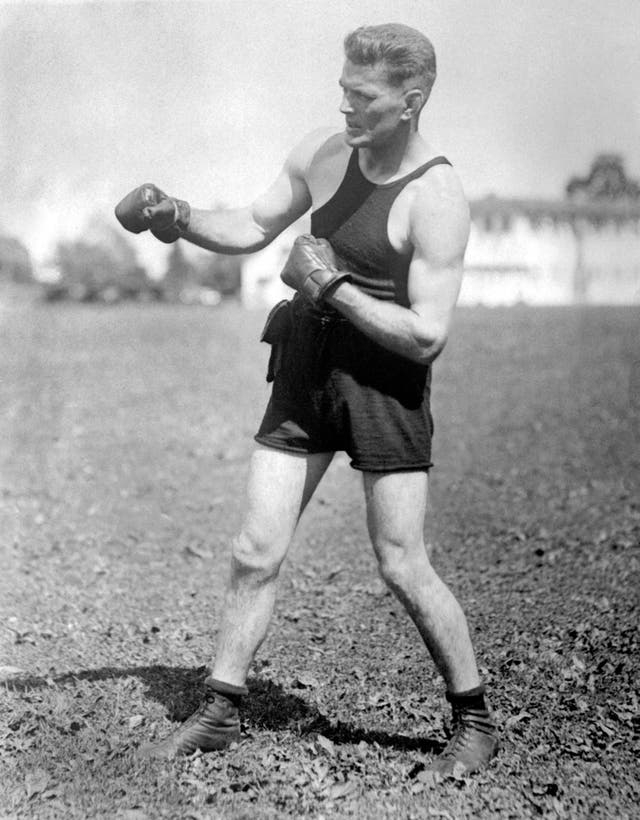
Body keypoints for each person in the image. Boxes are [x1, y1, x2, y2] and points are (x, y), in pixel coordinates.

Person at [115, 22, 498, 776]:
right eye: (343, 92)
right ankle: (221, 706)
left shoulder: (438, 196)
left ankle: (475, 720)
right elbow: (256, 225)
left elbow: (426, 337)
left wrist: (332, 286)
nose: (347, 108)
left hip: (383, 383)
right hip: (307, 363)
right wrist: (182, 217)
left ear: (411, 100)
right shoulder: (326, 152)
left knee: (400, 561)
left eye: (364, 97)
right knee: (255, 548)